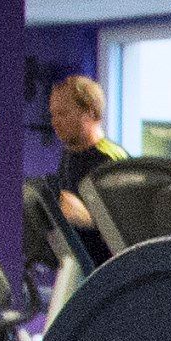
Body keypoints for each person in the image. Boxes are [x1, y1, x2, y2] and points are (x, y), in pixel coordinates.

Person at [44, 73, 118, 235]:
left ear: (90, 113)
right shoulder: (69, 156)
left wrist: (89, 220)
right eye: (53, 114)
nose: (55, 122)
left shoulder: (112, 161)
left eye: (63, 114)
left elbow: (129, 233)